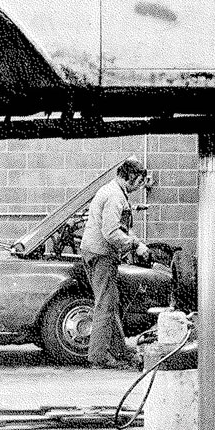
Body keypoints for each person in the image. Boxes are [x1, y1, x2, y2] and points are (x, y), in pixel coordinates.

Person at [81, 158, 150, 369]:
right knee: (105, 305)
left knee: (111, 303)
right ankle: (98, 357)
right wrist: (136, 245)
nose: (140, 185)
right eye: (139, 180)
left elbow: (119, 225)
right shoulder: (114, 196)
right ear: (129, 176)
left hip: (98, 253)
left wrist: (134, 238)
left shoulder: (115, 191)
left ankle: (119, 351)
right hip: (101, 255)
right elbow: (110, 232)